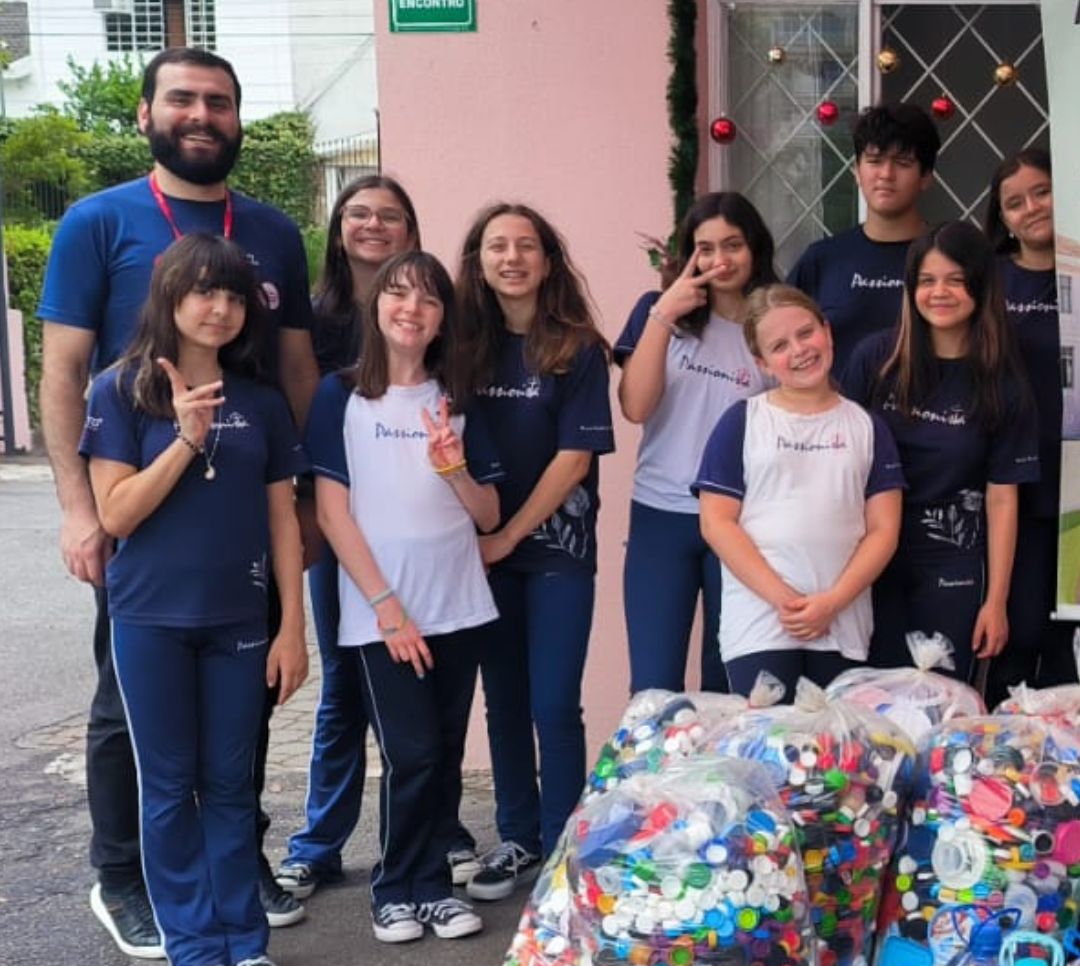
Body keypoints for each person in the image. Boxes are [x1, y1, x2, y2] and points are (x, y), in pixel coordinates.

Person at [38, 46, 319, 955]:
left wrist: (306, 494)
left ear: (239, 119)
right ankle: (124, 877)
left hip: (243, 497)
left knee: (248, 692)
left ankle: (236, 866)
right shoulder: (97, 221)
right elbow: (65, 370)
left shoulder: (273, 231)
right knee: (131, 706)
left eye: (221, 103)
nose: (203, 115)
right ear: (147, 113)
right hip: (136, 506)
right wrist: (80, 509)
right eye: (184, 100)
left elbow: (296, 369)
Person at [79, 234, 308, 966]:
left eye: (235, 294)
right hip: (149, 622)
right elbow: (116, 513)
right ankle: (193, 945)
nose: (220, 307)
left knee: (232, 784)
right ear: (171, 298)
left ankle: (245, 939)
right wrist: (184, 440)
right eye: (205, 291)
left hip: (239, 622)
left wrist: (291, 627)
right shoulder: (120, 390)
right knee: (170, 786)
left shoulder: (263, 402)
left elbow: (284, 522)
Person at [275, 175, 489, 898]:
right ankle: (328, 846)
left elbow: (483, 505)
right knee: (356, 704)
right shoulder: (321, 330)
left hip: (449, 590)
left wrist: (454, 471)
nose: (412, 307)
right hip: (366, 576)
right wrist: (384, 602)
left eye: (389, 216)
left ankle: (433, 857)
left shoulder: (455, 388)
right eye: (358, 214)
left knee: (433, 745)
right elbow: (331, 500)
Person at [455, 203, 614, 901]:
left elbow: (574, 460)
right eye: (498, 246)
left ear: (548, 262)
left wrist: (509, 535)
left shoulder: (577, 348)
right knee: (505, 702)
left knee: (553, 703)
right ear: (479, 260)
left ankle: (561, 846)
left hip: (556, 551)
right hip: (480, 553)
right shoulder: (459, 346)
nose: (512, 257)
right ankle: (516, 836)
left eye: (526, 246)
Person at [842, 221, 1039, 682]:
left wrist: (996, 602)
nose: (939, 292)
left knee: (946, 707)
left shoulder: (1002, 383)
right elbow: (836, 460)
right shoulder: (876, 359)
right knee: (868, 707)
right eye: (927, 281)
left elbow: (1003, 497)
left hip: (953, 568)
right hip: (868, 559)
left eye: (955, 279)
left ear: (980, 285)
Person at [693, 285, 903, 699]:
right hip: (761, 623)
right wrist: (785, 601)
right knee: (765, 755)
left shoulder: (867, 427)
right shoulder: (742, 422)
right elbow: (717, 523)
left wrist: (833, 602)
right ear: (763, 363)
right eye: (780, 345)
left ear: (827, 331)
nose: (800, 349)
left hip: (841, 624)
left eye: (806, 333)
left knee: (831, 757)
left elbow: (883, 530)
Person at [615, 192, 777, 694]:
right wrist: (664, 315)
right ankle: (652, 775)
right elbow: (635, 408)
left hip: (741, 521)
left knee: (729, 679)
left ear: (755, 250)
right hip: (661, 516)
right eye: (705, 248)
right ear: (689, 254)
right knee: (654, 683)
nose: (719, 260)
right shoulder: (657, 313)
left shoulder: (771, 327)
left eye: (733, 245)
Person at [983, 148, 1076, 699]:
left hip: (1077, 493)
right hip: (1011, 488)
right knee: (1017, 632)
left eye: (1042, 192)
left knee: (1070, 638)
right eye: (1014, 203)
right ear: (1002, 218)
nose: (1031, 208)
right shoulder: (989, 281)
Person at [788, 102, 940, 378]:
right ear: (857, 171)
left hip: (928, 417)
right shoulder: (822, 259)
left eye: (903, 163)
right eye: (874, 161)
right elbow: (777, 340)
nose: (886, 175)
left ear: (926, 177)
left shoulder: (948, 258)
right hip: (837, 417)